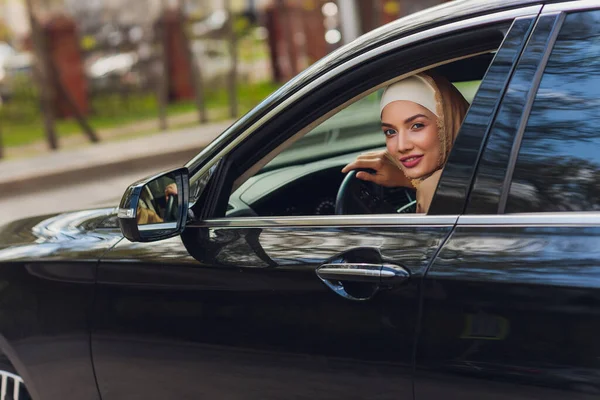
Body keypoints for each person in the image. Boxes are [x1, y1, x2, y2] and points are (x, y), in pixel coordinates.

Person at [342, 72, 469, 213]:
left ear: (447, 122)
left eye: (417, 125)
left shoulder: (436, 190)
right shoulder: (479, 171)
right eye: (390, 132)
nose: (402, 146)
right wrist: (410, 181)